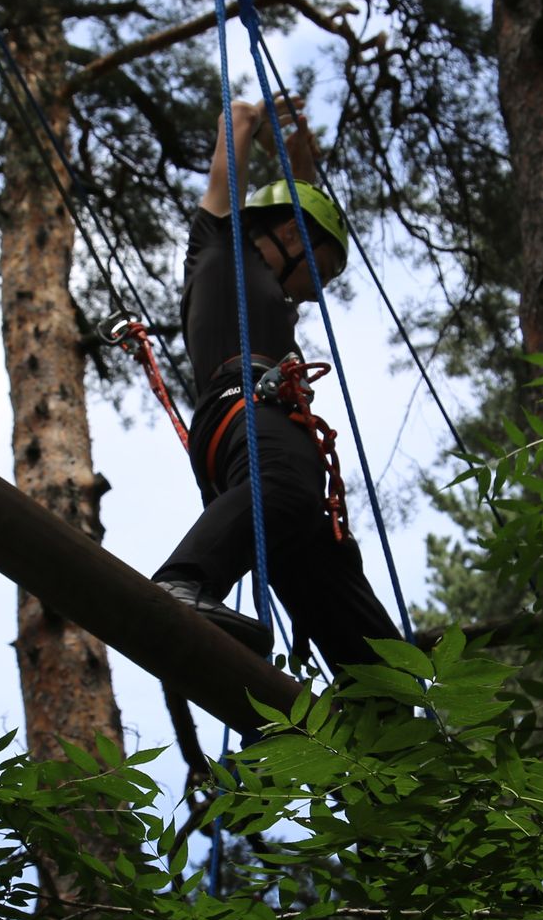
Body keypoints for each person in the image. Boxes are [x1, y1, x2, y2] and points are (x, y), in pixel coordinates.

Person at [151, 94, 401, 678]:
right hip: (244, 413)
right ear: (289, 233)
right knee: (284, 486)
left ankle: (383, 698)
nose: (318, 289)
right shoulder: (218, 246)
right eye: (321, 268)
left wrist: (297, 164)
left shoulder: (271, 292)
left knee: (335, 580)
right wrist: (256, 124)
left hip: (268, 428)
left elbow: (300, 201)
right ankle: (182, 581)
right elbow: (235, 119)